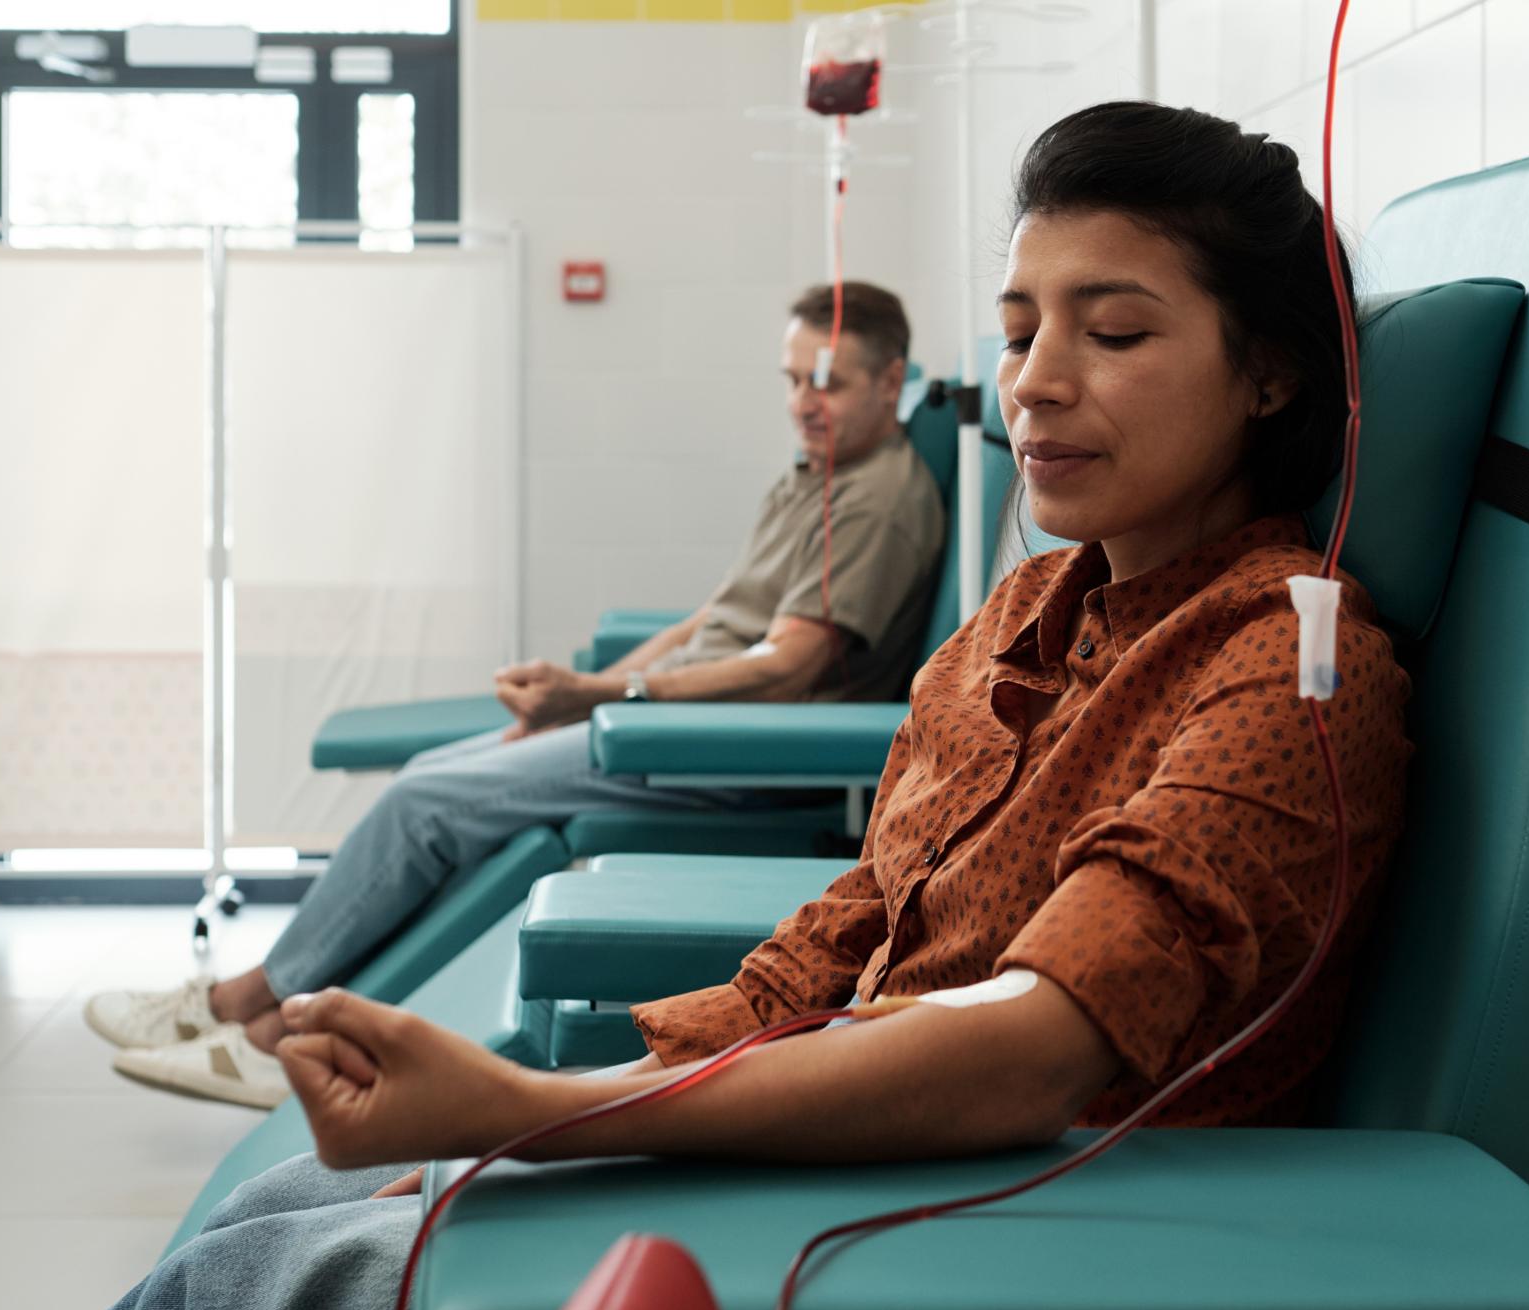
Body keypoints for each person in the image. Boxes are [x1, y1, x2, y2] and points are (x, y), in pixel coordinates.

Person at [11, 101, 1413, 1310]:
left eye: (1111, 334)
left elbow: (1034, 1050)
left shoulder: (1290, 668)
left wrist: (529, 1116)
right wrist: (578, 1097)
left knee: (262, 1290)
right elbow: (860, 921)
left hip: (1031, 1210)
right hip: (861, 1141)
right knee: (276, 1205)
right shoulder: (1029, 616)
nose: (1034, 383)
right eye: (1022, 327)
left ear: (1271, 377)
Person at [82, 281, 946, 1110]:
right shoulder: (816, 475)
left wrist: (604, 700)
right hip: (664, 723)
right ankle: (280, 1024)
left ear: (891, 382)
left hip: (726, 753)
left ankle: (245, 1008)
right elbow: (713, 619)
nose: (803, 399)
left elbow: (784, 668)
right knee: (431, 778)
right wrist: (594, 695)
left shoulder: (876, 504)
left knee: (426, 804)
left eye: (826, 381)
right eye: (793, 379)